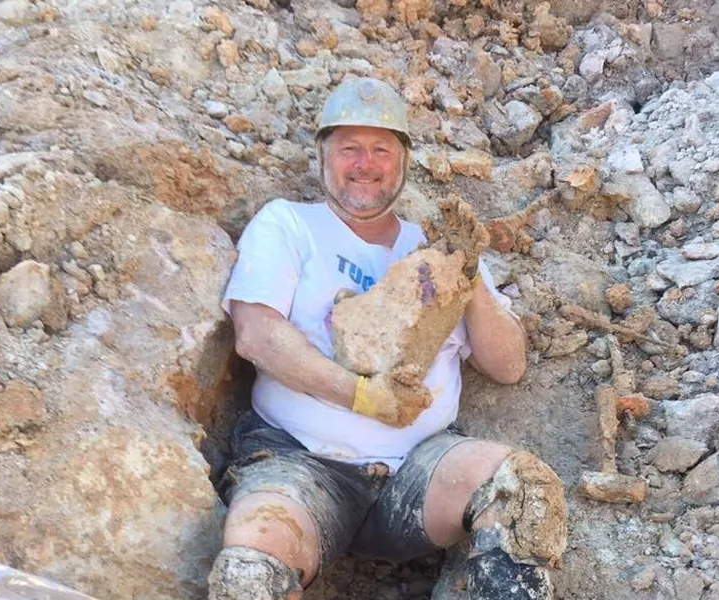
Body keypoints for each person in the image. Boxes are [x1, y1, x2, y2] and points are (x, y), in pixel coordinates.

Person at [208, 77, 566, 600]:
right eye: (349, 148)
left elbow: (508, 366)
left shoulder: (435, 247)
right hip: (300, 462)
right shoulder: (289, 225)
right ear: (323, 155)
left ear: (402, 161)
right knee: (252, 564)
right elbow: (257, 337)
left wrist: (468, 278)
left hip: (420, 470)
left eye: (381, 149)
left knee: (524, 492)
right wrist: (360, 396)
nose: (365, 164)